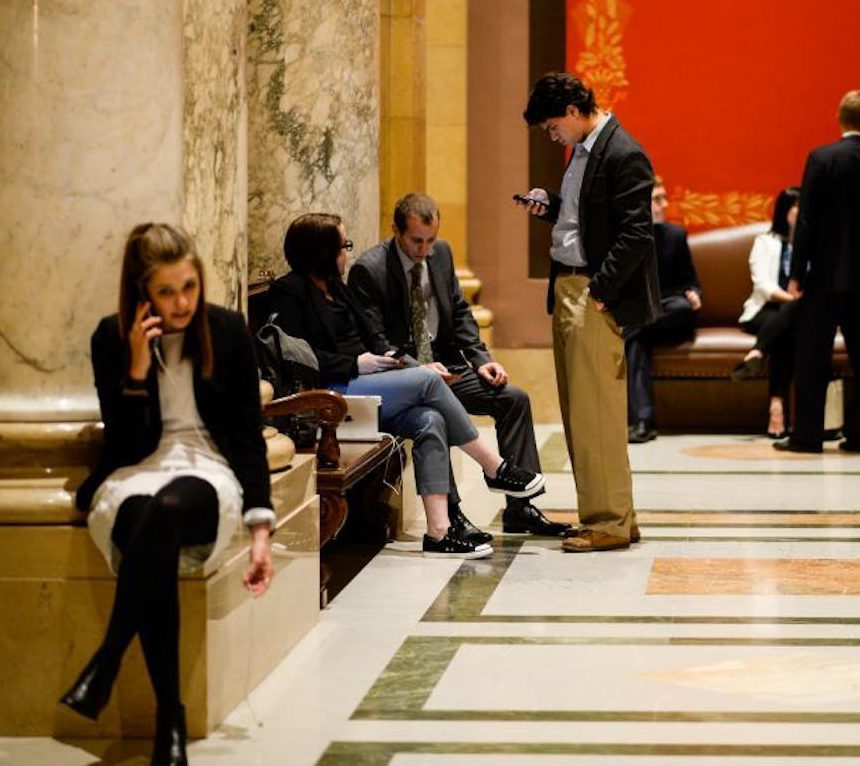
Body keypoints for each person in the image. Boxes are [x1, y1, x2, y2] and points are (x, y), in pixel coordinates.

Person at [63, 223, 275, 766]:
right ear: (142, 295)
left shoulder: (227, 332)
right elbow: (126, 444)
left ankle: (106, 662)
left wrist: (260, 532)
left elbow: (249, 438)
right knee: (143, 519)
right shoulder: (110, 337)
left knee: (169, 507)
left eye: (188, 287)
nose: (182, 302)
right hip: (139, 471)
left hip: (208, 474)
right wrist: (136, 368)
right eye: (165, 292)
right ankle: (169, 723)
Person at [268, 213, 545, 559]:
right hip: (334, 394)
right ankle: (494, 467)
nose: (347, 253)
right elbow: (300, 358)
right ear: (321, 251)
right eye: (343, 246)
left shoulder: (337, 287)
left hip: (367, 384)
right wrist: (356, 363)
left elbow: (374, 335)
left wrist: (387, 357)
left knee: (430, 419)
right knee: (428, 380)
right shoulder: (289, 293)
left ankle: (440, 531)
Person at [348, 193, 570, 537]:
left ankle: (520, 507)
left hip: (449, 365)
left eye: (430, 240)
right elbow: (378, 342)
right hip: (405, 375)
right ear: (395, 230)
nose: (424, 249)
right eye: (416, 241)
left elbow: (460, 310)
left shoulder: (442, 254)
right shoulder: (370, 270)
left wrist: (482, 360)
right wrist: (417, 369)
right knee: (432, 418)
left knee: (513, 399)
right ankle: (452, 515)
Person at [517, 71, 658, 553]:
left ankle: (610, 522)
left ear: (574, 113)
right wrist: (551, 207)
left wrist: (600, 292)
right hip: (570, 285)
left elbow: (637, 234)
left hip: (592, 291)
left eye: (553, 126)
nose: (551, 135)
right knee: (582, 410)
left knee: (595, 411)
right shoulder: (583, 151)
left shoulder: (624, 152)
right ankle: (616, 515)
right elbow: (586, 219)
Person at [774, 90, 860, 453]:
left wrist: (796, 273)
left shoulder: (821, 159)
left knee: (812, 357)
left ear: (840, 117)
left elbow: (808, 221)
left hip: (825, 279)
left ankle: (808, 435)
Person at [623, 176, 702, 443]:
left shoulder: (675, 236)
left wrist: (694, 293)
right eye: (657, 199)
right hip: (644, 314)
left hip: (671, 314)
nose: (664, 204)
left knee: (678, 309)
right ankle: (644, 421)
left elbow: (690, 279)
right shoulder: (626, 238)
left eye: (664, 198)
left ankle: (642, 421)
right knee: (638, 341)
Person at [731, 186, 801, 439]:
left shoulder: (814, 244)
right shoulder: (764, 242)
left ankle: (758, 355)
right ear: (785, 211)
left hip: (795, 315)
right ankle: (778, 407)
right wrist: (792, 300)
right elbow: (762, 285)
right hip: (764, 310)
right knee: (787, 325)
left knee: (787, 327)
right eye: (797, 206)